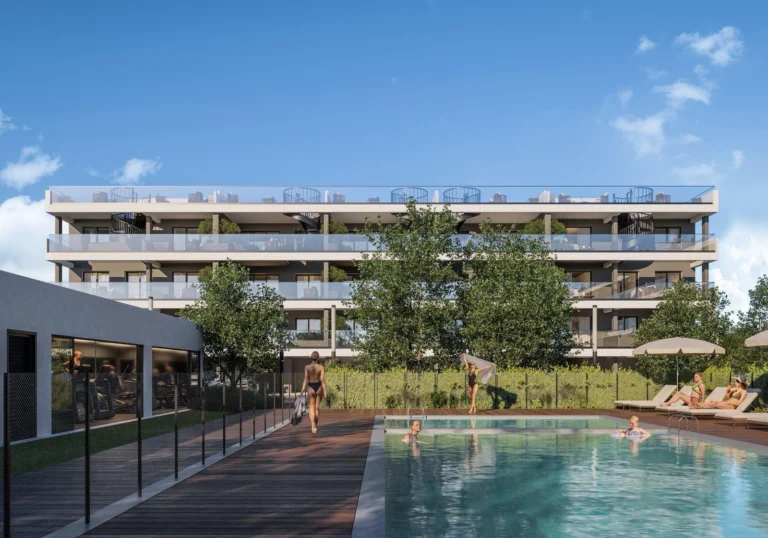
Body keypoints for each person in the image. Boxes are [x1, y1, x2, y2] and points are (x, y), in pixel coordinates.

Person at [300, 351, 326, 434]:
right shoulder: (321, 367)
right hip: (319, 386)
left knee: (311, 408)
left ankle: (313, 426)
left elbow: (305, 379)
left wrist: (302, 390)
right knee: (317, 408)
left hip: (311, 386)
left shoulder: (307, 367)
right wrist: (325, 391)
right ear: (318, 357)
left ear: (311, 357)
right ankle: (315, 426)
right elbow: (322, 380)